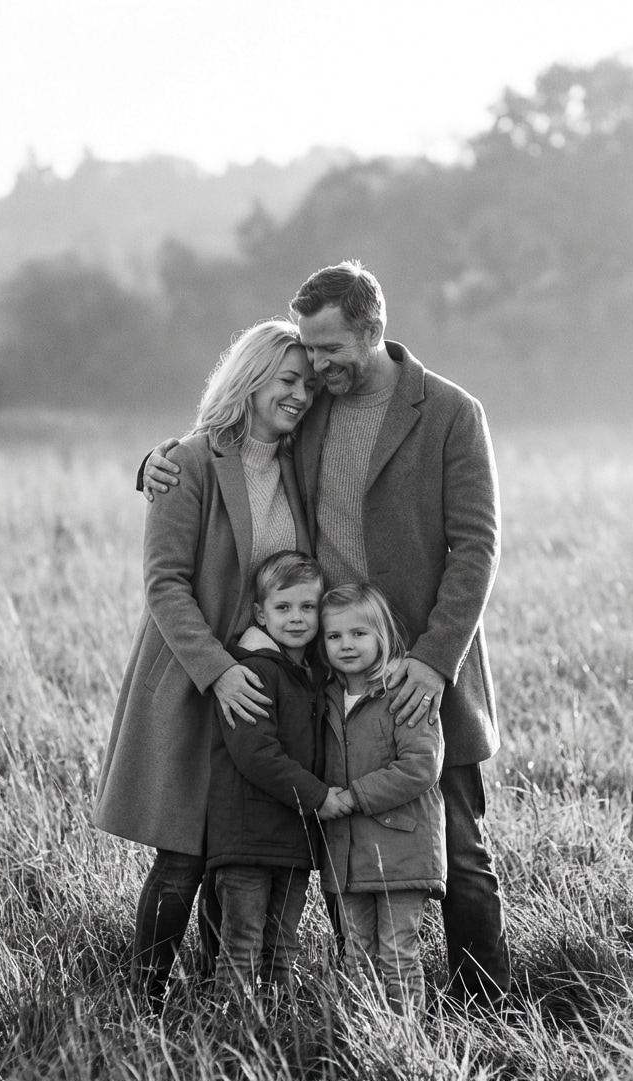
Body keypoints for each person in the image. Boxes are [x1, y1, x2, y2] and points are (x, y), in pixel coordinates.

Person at [142, 260, 509, 1007]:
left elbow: (477, 548)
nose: (315, 367)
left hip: (421, 669)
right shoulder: (311, 411)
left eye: (331, 350)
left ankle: (486, 1008)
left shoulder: (449, 413)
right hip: (330, 676)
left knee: (460, 851)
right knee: (344, 844)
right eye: (308, 351)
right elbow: (232, 438)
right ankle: (366, 1004)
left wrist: (435, 663)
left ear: (374, 332)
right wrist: (153, 463)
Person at [93, 318, 318, 1008]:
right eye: (287, 381)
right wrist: (219, 670)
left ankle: (226, 999)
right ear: (249, 381)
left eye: (308, 384)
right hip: (195, 679)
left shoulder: (299, 466)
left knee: (242, 849)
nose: (301, 395)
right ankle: (145, 1001)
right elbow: (164, 584)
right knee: (184, 854)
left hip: (269, 689)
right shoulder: (189, 463)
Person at [207, 550, 350, 997]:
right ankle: (232, 1037)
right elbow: (257, 755)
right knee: (243, 944)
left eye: (308, 607)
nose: (296, 618)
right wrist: (319, 797)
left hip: (294, 840)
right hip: (247, 838)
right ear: (260, 614)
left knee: (283, 946)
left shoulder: (311, 676)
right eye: (283, 607)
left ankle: (279, 1032)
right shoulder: (251, 673)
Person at [318, 582, 446, 1013]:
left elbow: (421, 766)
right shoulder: (326, 699)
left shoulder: (403, 692)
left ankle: (407, 1041)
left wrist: (354, 797)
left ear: (382, 635)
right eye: (334, 636)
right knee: (355, 956)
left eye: (358, 634)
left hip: (401, 848)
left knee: (398, 955)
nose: (346, 645)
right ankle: (367, 1038)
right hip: (346, 856)